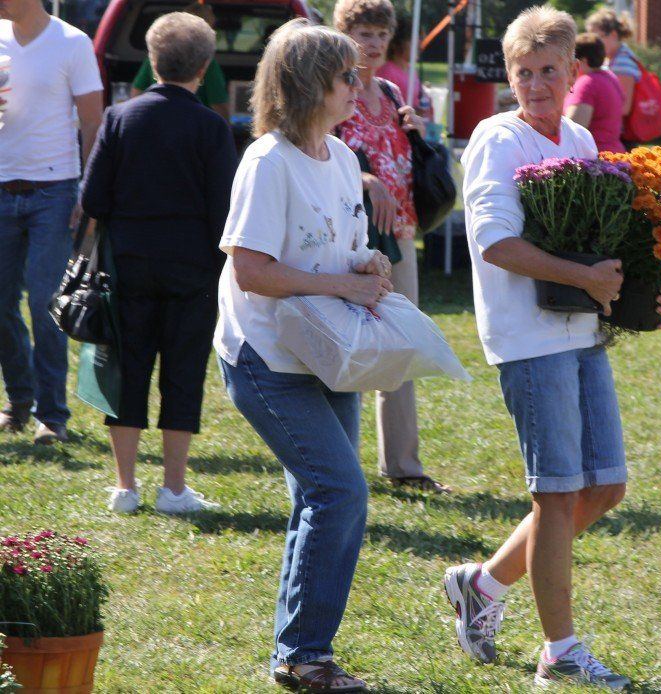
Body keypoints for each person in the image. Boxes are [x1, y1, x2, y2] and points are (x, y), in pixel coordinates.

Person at [444, 7, 661, 690]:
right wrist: (581, 276)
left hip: (583, 336)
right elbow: (494, 244)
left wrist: (653, 298)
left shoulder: (581, 138)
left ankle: (481, 587)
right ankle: (561, 652)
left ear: (575, 72)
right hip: (527, 340)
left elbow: (613, 249)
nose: (536, 84)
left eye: (549, 70)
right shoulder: (497, 139)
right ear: (511, 77)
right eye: (523, 73)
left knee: (604, 486)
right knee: (557, 494)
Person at [217, 18, 392, 692]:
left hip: (328, 352)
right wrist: (339, 283)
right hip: (265, 356)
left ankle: (298, 652)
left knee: (322, 496)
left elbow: (337, 245)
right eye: (346, 75)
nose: (359, 83)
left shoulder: (343, 157)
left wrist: (365, 263)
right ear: (310, 84)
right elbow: (251, 271)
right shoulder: (266, 162)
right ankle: (304, 657)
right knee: (339, 491)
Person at [80, 12, 236, 514]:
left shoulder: (119, 118)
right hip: (192, 269)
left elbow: (94, 198)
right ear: (204, 67)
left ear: (151, 60)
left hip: (126, 267)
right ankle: (173, 488)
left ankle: (125, 486)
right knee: (183, 373)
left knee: (127, 370)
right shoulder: (212, 128)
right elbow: (224, 211)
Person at [333, 0, 450, 494]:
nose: (374, 42)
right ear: (344, 34)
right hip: (354, 241)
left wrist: (420, 136)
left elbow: (405, 156)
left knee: (401, 344)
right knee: (349, 347)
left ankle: (404, 465)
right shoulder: (334, 89)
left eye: (381, 32)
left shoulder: (391, 90)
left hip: (401, 235)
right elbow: (319, 156)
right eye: (363, 31)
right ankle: (338, 462)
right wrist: (365, 179)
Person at [0, 0, 103, 444]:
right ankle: (19, 401)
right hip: (2, 187)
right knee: (1, 306)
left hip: (54, 192)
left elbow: (93, 124)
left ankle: (51, 415)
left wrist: (88, 193)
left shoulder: (72, 43)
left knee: (46, 303)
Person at [129, 1, 230, 121]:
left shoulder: (157, 55)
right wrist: (227, 128)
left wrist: (137, 116)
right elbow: (218, 104)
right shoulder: (208, 63)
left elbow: (137, 91)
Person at [564, 32, 625, 154]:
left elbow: (574, 128)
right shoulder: (610, 78)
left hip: (595, 159)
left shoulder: (587, 83)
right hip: (616, 154)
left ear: (583, 61)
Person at [584, 8, 639, 121]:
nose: (592, 43)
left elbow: (624, 108)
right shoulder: (611, 59)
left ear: (613, 35)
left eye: (596, 38)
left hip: (620, 135)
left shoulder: (623, 63)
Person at [378, 12, 433, 121]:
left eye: (419, 38)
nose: (418, 43)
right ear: (396, 43)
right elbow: (388, 109)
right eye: (412, 39)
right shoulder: (387, 72)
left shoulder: (410, 69)